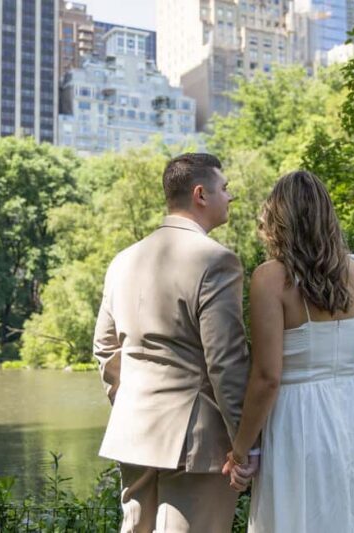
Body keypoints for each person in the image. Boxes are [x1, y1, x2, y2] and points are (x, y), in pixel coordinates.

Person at [223, 170, 354, 532]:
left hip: (297, 418)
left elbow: (267, 377)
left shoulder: (270, 278)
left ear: (278, 219)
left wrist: (240, 449)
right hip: (353, 412)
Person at [93, 153, 256, 533]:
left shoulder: (123, 260)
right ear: (201, 194)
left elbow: (104, 348)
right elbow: (225, 361)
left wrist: (129, 402)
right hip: (196, 438)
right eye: (225, 188)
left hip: (133, 429)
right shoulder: (216, 261)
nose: (230, 197)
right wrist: (243, 443)